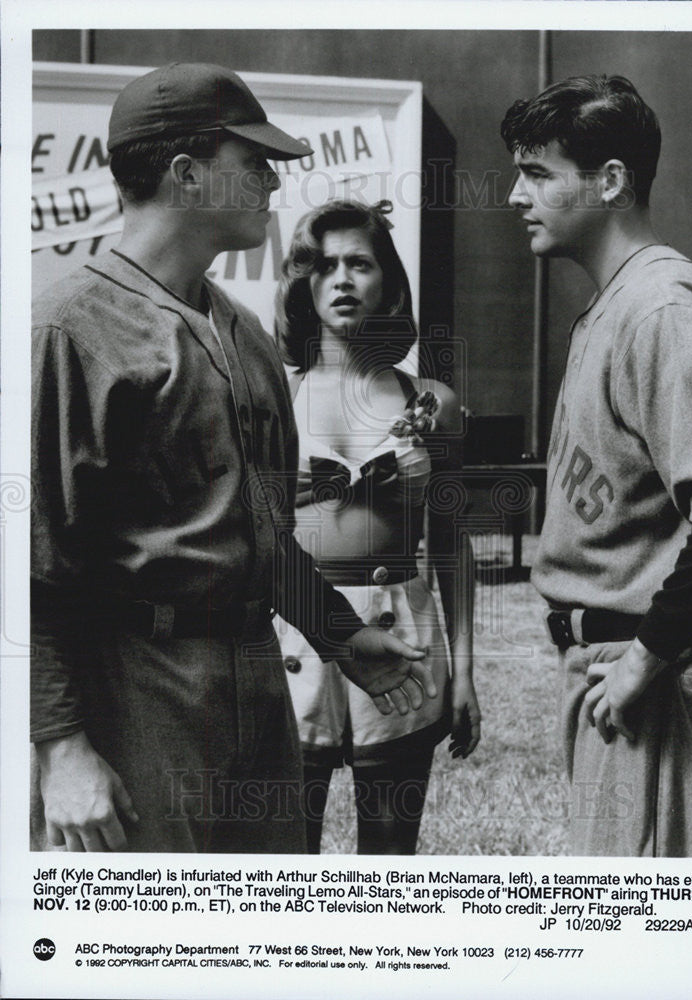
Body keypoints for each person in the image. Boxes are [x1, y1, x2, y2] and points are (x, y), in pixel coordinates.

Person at [30, 63, 436, 854]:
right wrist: (60, 748)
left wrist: (343, 638)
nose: (269, 182)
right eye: (251, 162)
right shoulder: (65, 332)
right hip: (138, 682)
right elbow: (28, 565)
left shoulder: (245, 332)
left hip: (257, 681)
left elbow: (264, 538)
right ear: (185, 175)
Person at [501, 75, 692, 857]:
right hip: (612, 666)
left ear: (610, 181)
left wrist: (645, 658)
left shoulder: (663, 309)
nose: (514, 194)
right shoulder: (616, 302)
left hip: (655, 675)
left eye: (537, 173)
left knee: (643, 944)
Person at [274, 200, 481, 854]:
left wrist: (468, 672)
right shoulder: (272, 395)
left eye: (358, 264)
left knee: (389, 862)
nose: (340, 279)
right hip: (295, 630)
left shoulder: (430, 402)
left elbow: (451, 544)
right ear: (302, 282)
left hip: (402, 627)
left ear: (388, 283)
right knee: (282, 855)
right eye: (324, 264)